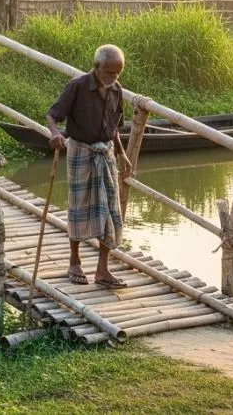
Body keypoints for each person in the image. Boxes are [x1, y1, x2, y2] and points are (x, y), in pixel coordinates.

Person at [47, 44, 134, 290]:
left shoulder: (116, 90)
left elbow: (114, 127)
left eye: (118, 72)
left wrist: (122, 154)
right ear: (96, 67)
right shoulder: (77, 86)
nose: (114, 77)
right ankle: (74, 262)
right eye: (109, 72)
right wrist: (55, 134)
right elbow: (53, 115)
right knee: (79, 206)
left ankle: (102, 269)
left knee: (110, 210)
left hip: (105, 152)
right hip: (81, 150)